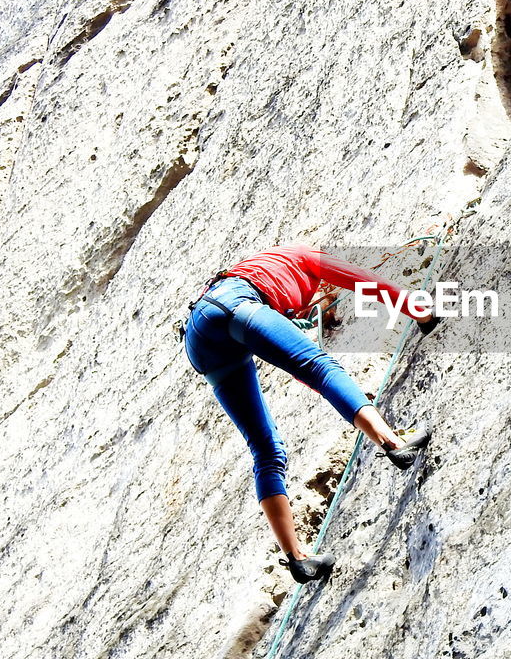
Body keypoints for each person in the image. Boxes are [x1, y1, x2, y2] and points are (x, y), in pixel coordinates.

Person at [183, 244, 437, 584]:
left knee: (266, 449)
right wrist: (418, 310)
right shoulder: (306, 258)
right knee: (322, 369)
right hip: (235, 304)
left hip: (199, 340)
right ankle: (392, 441)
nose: (319, 301)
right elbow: (364, 281)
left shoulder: (267, 268)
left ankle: (298, 559)